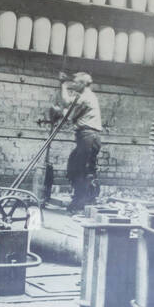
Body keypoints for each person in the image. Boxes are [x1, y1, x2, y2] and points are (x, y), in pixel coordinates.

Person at [50, 72, 103, 214]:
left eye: (75, 82)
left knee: (82, 171)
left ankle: (80, 203)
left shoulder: (86, 97)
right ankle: (84, 198)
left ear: (83, 84)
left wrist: (63, 85)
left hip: (89, 137)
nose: (73, 85)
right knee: (73, 167)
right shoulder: (83, 96)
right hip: (84, 137)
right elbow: (68, 107)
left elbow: (68, 109)